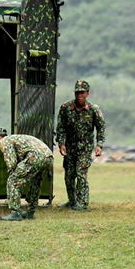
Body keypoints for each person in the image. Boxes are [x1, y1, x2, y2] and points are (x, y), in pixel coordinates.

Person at [55, 80, 105, 210]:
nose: (79, 95)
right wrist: (61, 143)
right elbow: (61, 128)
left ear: (87, 93)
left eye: (82, 92)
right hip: (69, 148)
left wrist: (99, 144)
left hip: (85, 148)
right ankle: (72, 201)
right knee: (69, 175)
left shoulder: (94, 110)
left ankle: (82, 203)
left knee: (81, 173)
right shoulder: (66, 108)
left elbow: (100, 127)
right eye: (77, 92)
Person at [0, 127, 53, 222]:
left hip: (35, 156)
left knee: (13, 180)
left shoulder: (5, 141)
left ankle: (15, 212)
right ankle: (30, 212)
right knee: (36, 183)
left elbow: (12, 163)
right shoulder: (15, 138)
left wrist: (14, 178)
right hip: (48, 157)